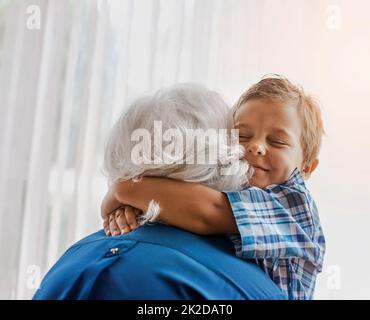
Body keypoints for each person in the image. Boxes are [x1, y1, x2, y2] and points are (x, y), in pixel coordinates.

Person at [34, 83, 285, 299]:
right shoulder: (249, 287)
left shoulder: (69, 264)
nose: (251, 151)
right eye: (240, 137)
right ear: (224, 159)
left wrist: (123, 189)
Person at [102, 75, 326, 300]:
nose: (256, 146)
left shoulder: (294, 205)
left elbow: (207, 213)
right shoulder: (234, 188)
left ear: (307, 166)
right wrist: (132, 209)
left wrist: (123, 190)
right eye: (243, 135)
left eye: (276, 141)